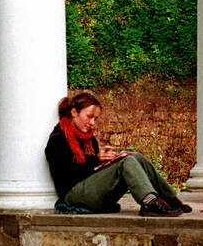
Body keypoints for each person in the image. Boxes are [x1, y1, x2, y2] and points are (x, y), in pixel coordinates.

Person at [45, 91, 192, 216]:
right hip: (74, 195)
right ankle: (149, 203)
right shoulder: (58, 140)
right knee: (125, 162)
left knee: (134, 157)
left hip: (92, 190)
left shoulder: (89, 139)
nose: (92, 123)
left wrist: (104, 160)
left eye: (95, 118)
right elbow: (68, 175)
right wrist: (96, 160)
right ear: (74, 112)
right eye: (89, 116)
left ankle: (170, 199)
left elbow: (93, 168)